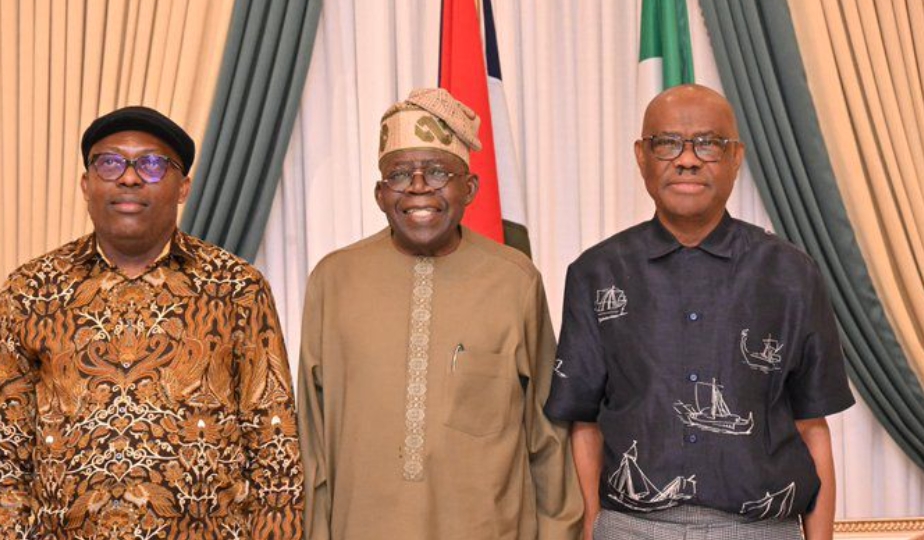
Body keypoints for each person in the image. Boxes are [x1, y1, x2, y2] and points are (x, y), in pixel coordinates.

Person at [544, 84, 854, 540]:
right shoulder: (597, 273)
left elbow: (813, 427)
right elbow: (584, 422)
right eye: (667, 143)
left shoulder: (791, 274)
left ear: (736, 157)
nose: (687, 159)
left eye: (708, 143)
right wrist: (594, 527)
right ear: (641, 156)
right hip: (631, 528)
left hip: (760, 529)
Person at [0, 106, 304, 538]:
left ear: (183, 188)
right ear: (86, 185)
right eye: (109, 162)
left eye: (152, 163)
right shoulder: (31, 290)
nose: (128, 177)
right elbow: (6, 454)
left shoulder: (236, 288)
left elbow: (275, 447)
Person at [297, 88, 582, 540]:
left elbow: (546, 437)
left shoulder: (515, 281)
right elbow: (311, 437)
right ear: (378, 193)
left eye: (436, 171)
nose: (417, 187)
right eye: (399, 175)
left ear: (469, 188)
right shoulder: (335, 280)